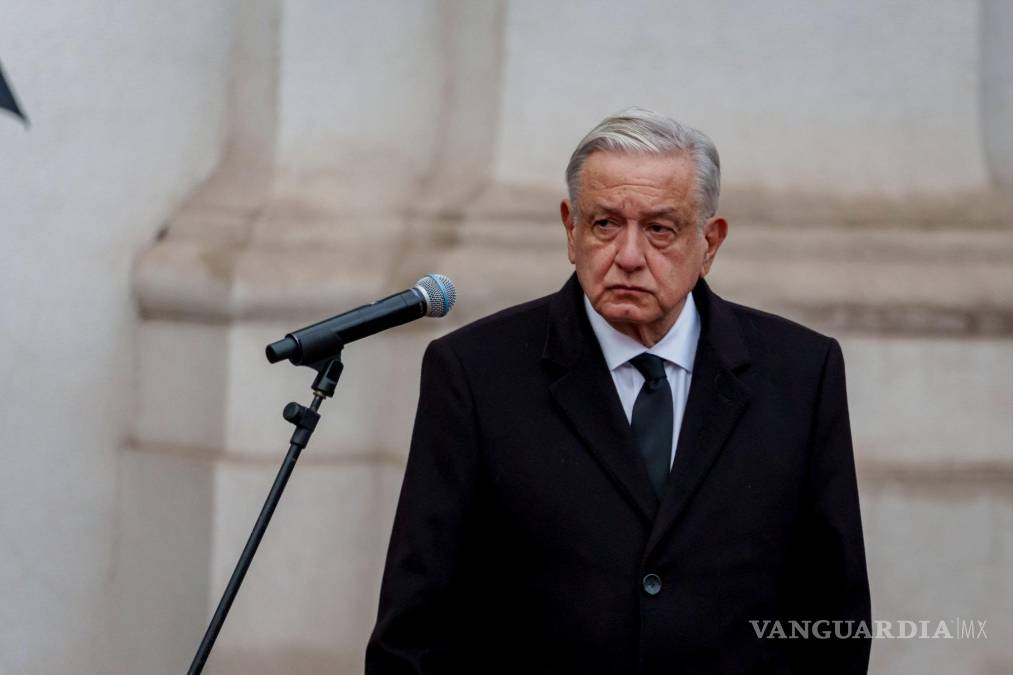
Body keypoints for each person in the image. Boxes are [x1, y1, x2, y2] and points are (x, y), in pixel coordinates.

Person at [366, 108, 871, 674]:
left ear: (710, 243)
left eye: (660, 228)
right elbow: (416, 629)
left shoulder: (802, 372)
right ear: (570, 230)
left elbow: (835, 617)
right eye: (605, 224)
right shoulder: (474, 372)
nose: (629, 256)